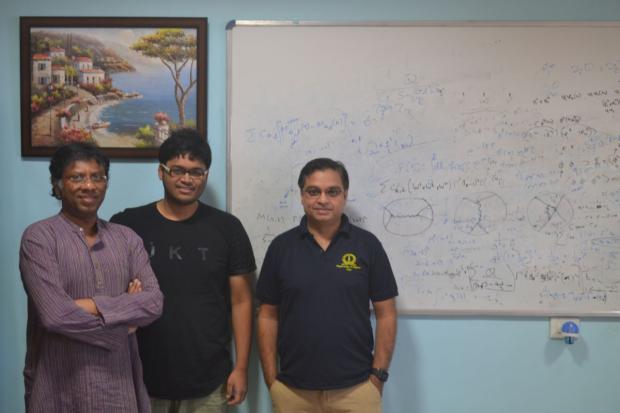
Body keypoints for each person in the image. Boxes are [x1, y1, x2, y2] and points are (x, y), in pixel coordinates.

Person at [111, 129, 256, 413]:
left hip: (208, 381)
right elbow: (110, 293)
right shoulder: (128, 224)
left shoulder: (228, 228)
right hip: (139, 378)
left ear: (205, 175)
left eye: (196, 172)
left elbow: (242, 300)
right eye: (177, 170)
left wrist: (241, 368)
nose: (187, 179)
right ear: (161, 172)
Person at [19, 142, 164, 413]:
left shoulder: (126, 238)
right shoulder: (39, 238)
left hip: (119, 389)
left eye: (97, 177)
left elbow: (154, 302)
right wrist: (124, 323)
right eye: (77, 177)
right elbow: (55, 316)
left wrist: (89, 305)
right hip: (59, 388)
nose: (89, 185)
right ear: (58, 184)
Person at [256, 158, 398, 413]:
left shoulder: (368, 246)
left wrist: (377, 377)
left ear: (345, 195)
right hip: (292, 392)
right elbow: (267, 315)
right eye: (313, 191)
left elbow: (386, 313)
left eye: (332, 192)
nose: (323, 199)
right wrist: (271, 380)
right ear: (302, 196)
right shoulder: (281, 248)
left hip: (357, 391)